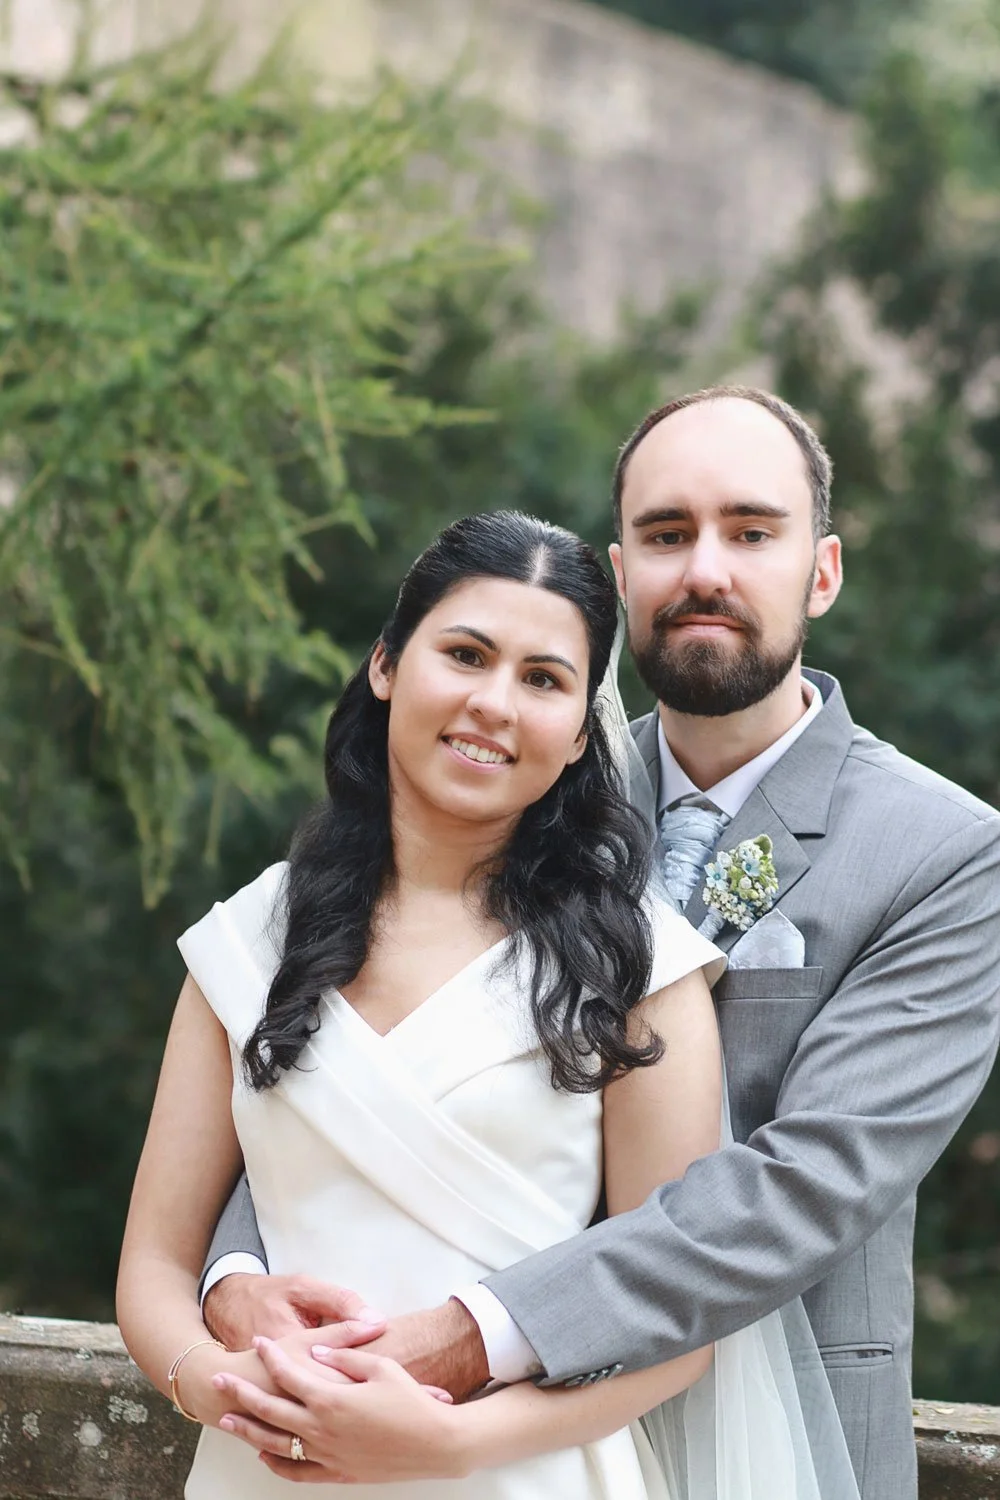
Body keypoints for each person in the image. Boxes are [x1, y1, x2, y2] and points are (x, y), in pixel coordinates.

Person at [198, 388, 1000, 1500]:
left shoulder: (944, 853)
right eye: (666, 534)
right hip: (472, 1446)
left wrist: (475, 1335)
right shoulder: (521, 774)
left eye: (750, 532)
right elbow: (341, 1058)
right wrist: (235, 1274)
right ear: (621, 577)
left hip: (773, 1445)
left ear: (820, 571)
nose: (703, 569)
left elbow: (805, 1186)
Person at [118, 508, 815, 1499]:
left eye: (542, 680)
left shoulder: (640, 971)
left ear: (580, 734)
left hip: (522, 1477)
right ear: (386, 666)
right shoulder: (248, 941)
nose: (494, 703)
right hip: (265, 1466)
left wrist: (449, 1447)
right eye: (465, 654)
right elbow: (152, 1265)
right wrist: (223, 1386)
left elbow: (676, 1328)